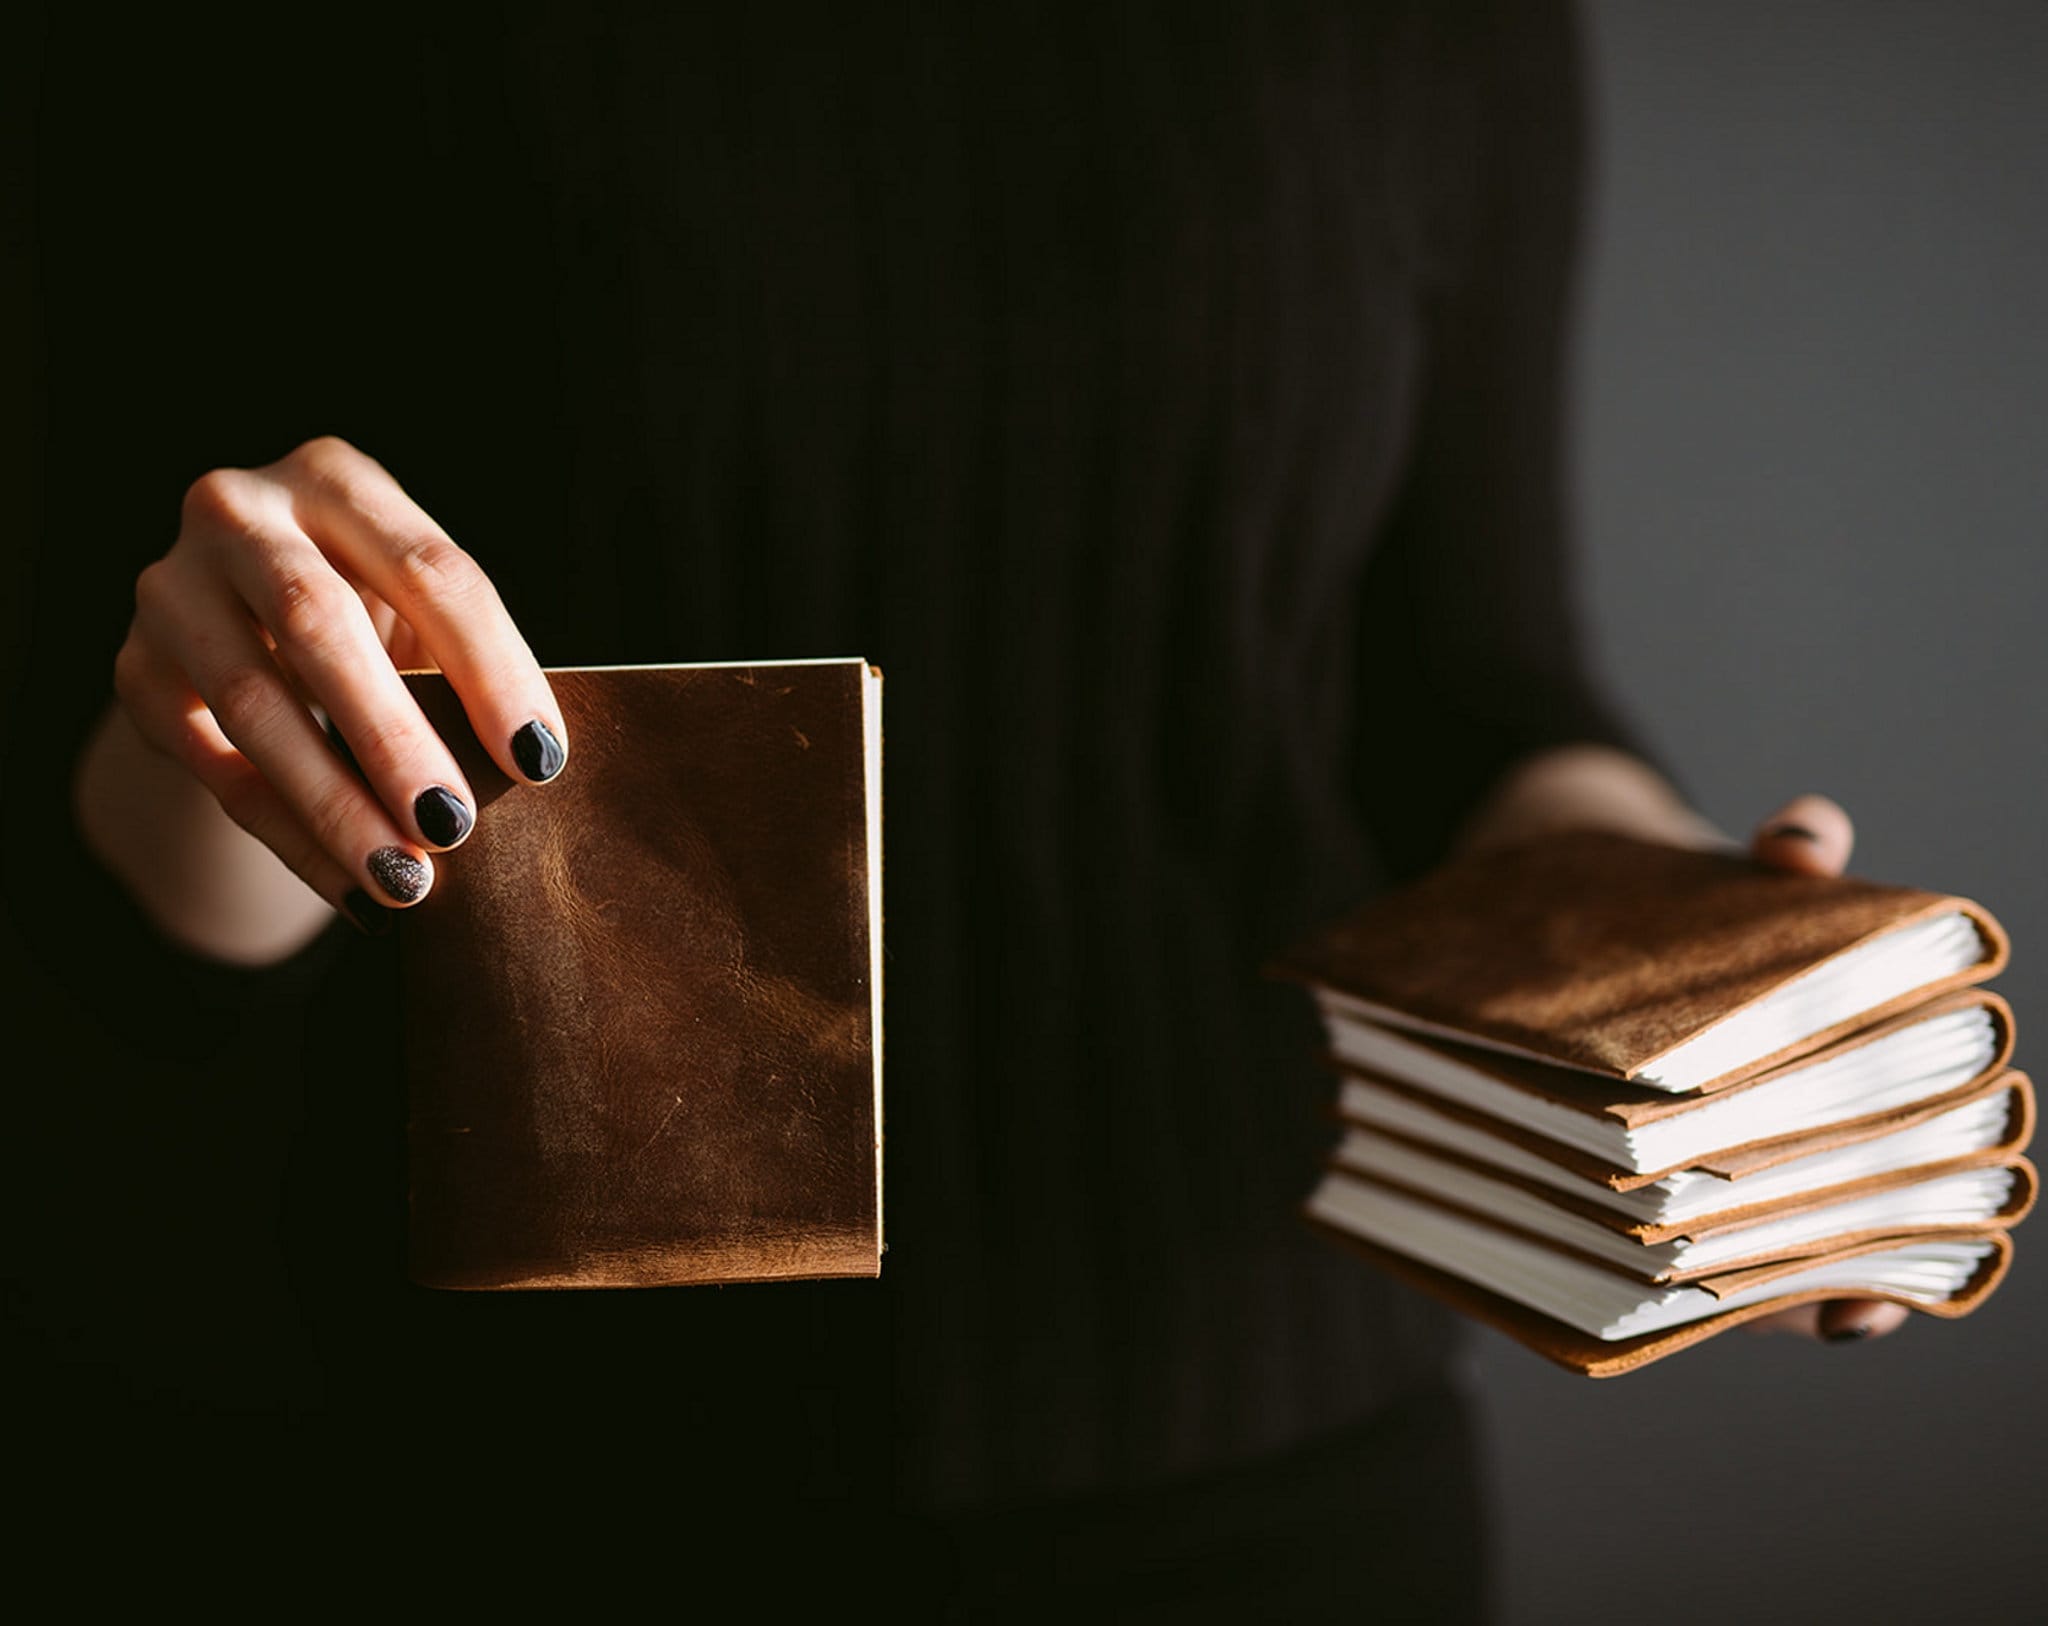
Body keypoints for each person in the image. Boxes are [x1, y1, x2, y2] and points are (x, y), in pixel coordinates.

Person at [16, 1, 1901, 1611]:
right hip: (477, 1490)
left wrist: (1686, 947)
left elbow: (1469, 698)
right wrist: (224, 726)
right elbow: (132, 940)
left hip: (1260, 1469)